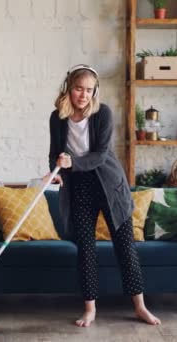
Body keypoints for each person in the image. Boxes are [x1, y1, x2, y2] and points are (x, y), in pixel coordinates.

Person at [44, 64, 161, 328]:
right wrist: (55, 169)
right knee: (85, 250)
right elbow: (55, 151)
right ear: (68, 88)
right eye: (78, 89)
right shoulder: (57, 117)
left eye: (88, 90)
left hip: (109, 184)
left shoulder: (102, 113)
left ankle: (140, 307)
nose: (83, 95)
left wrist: (71, 162)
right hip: (78, 187)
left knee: (125, 247)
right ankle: (90, 310)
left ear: (95, 91)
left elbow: (100, 154)